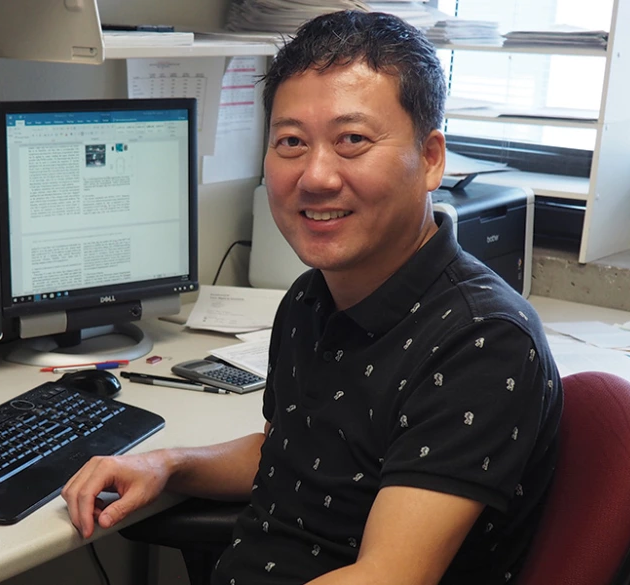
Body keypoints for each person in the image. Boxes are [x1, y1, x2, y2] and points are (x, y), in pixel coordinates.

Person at [62, 10, 563, 585]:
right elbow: (291, 457)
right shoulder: (311, 298)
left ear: (430, 159)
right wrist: (168, 463)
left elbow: (389, 577)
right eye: (292, 142)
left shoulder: (482, 341)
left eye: (352, 140)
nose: (316, 176)